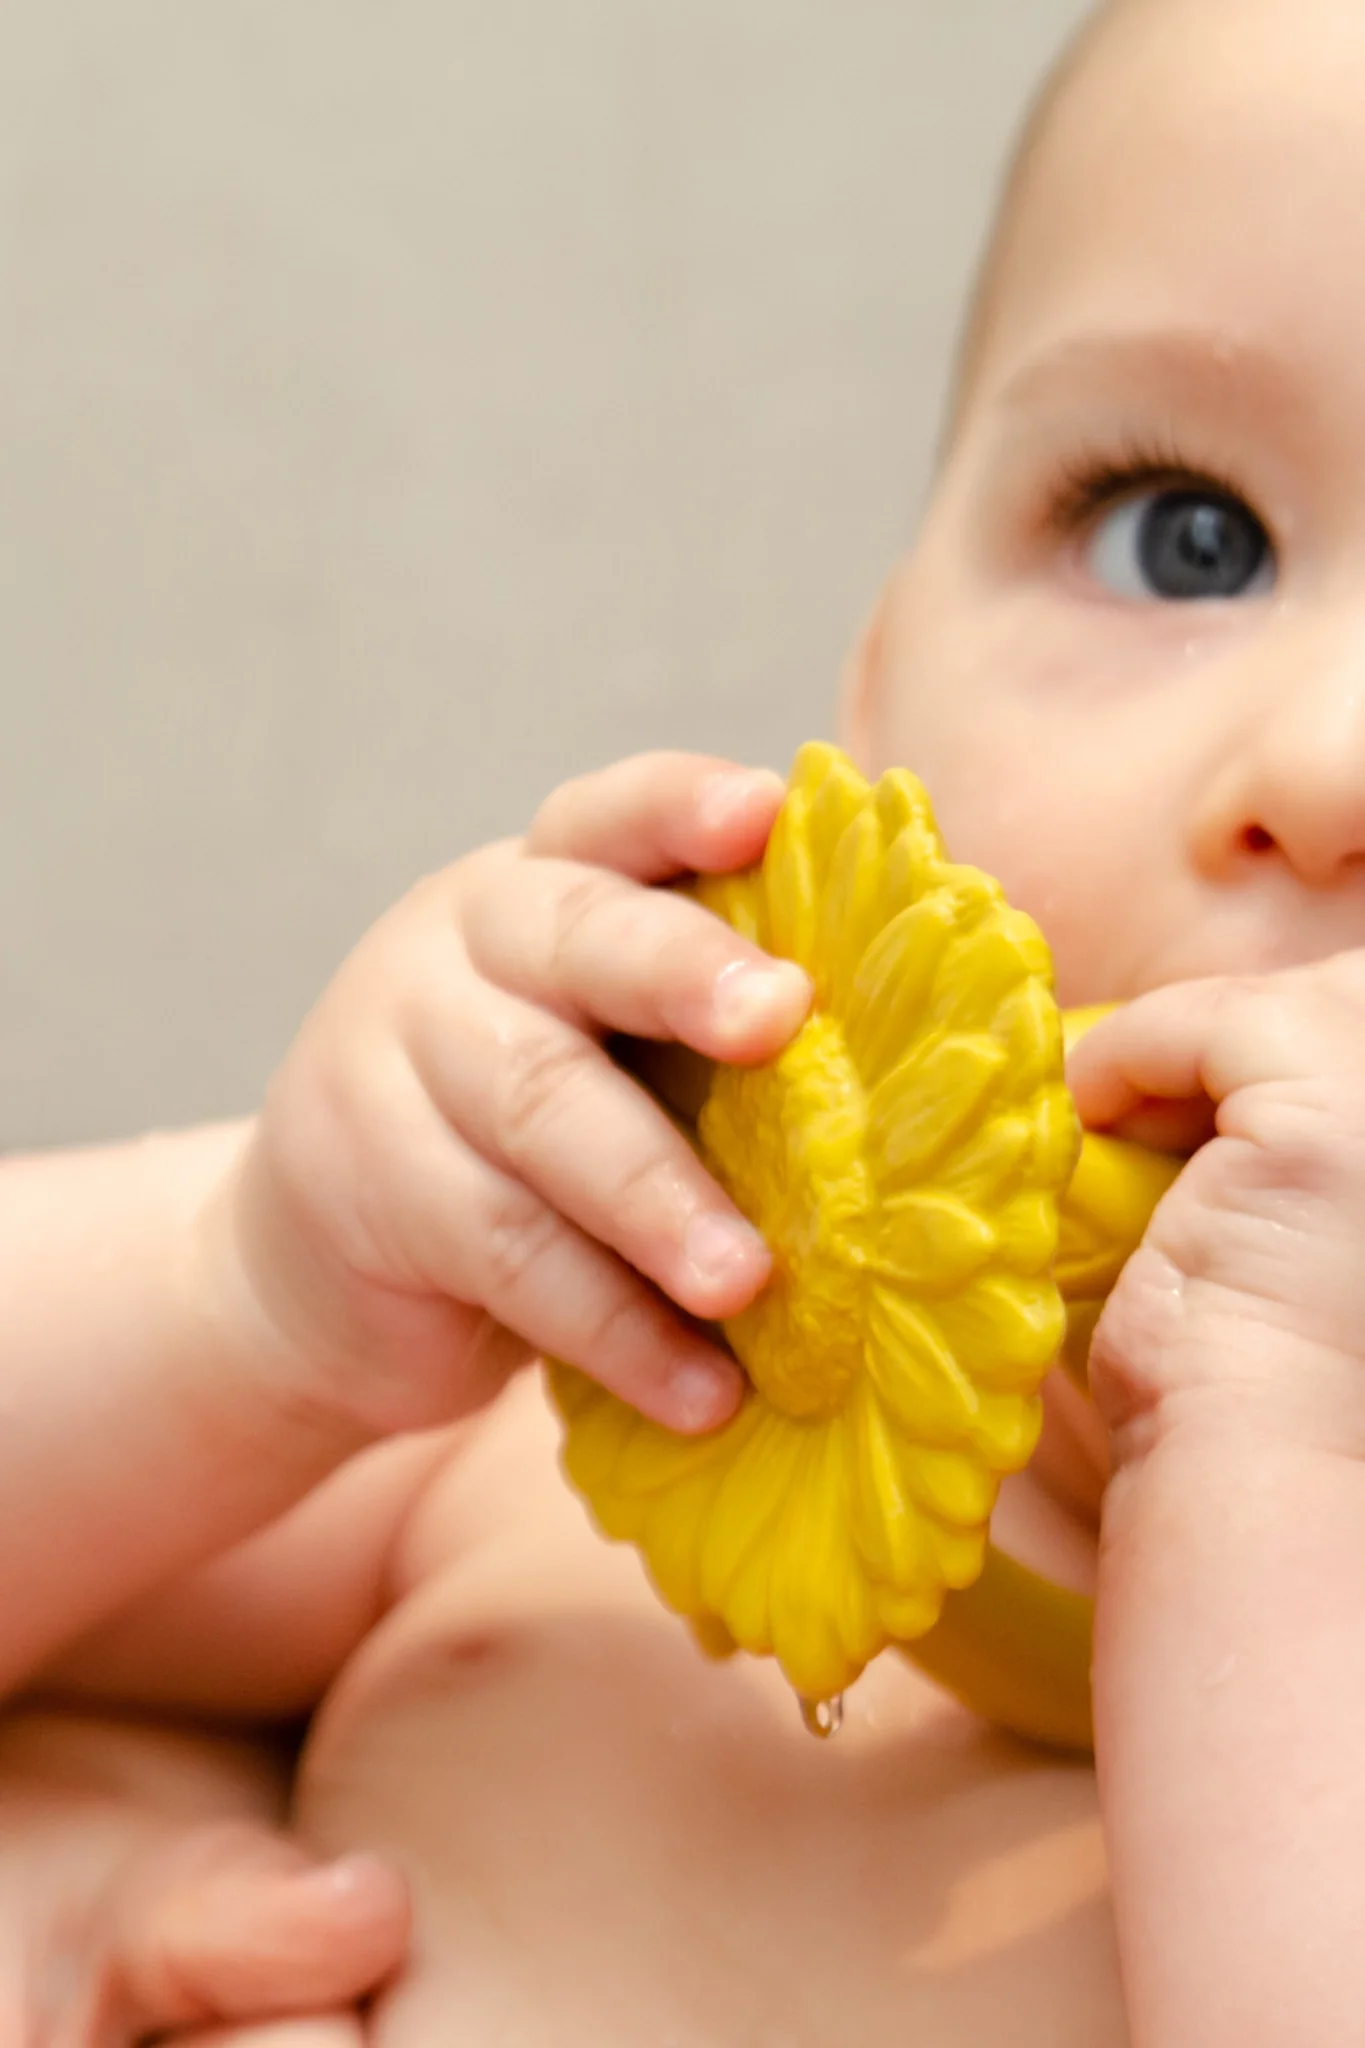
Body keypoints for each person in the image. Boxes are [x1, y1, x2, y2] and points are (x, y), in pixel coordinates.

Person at [11, 0, 1365, 2036]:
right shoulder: (590, 1389)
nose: (1326, 759)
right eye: (1185, 532)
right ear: (882, 692)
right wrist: (245, 1307)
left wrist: (1285, 1490)